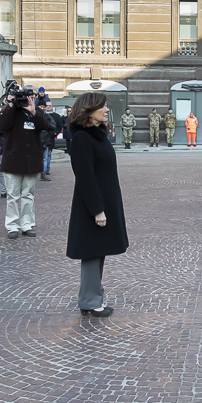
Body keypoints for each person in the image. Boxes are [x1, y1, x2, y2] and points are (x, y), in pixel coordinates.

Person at [64, 92, 129, 317]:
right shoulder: (82, 138)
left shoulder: (97, 135)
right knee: (91, 252)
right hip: (92, 205)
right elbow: (85, 177)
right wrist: (97, 209)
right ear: (89, 111)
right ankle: (90, 301)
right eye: (101, 106)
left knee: (98, 251)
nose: (106, 110)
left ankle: (92, 298)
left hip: (103, 202)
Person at [0, 85, 51, 239]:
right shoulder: (12, 110)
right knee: (13, 195)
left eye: (34, 95)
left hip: (31, 160)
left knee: (28, 195)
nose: (31, 98)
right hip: (13, 159)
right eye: (29, 95)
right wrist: (11, 104)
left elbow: (45, 126)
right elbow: (2, 125)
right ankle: (12, 226)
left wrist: (34, 111)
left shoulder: (38, 112)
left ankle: (27, 224)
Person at [37, 101, 57, 181]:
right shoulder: (33, 116)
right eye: (40, 106)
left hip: (45, 139)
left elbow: (53, 126)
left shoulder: (48, 116)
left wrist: (46, 124)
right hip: (35, 140)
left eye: (43, 106)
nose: (42, 108)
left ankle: (43, 173)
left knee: (45, 157)